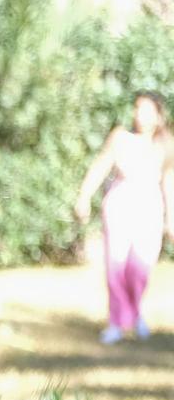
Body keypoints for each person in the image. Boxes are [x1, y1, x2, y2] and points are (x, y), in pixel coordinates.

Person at [75, 91, 174, 344]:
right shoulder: (120, 138)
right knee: (115, 265)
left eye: (145, 109)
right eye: (136, 107)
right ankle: (116, 321)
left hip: (150, 206)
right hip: (120, 204)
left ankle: (135, 312)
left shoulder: (164, 144)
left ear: (157, 115)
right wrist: (84, 196)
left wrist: (171, 218)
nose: (138, 113)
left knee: (139, 267)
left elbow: (169, 182)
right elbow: (101, 165)